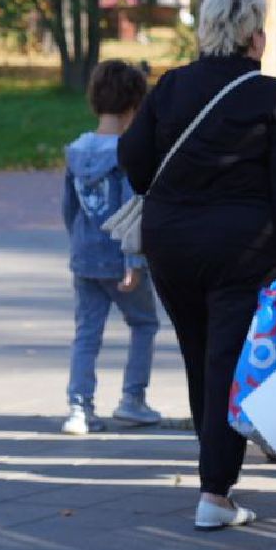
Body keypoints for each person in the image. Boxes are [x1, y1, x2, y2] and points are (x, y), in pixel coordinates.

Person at [120, 0, 276, 531]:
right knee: (226, 361)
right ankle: (215, 492)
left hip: (171, 242)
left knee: (199, 353)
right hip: (242, 246)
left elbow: (134, 163)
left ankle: (215, 475)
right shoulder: (273, 97)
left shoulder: (172, 86)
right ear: (255, 37)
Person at [61, 60, 161, 434]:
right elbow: (130, 209)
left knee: (87, 333)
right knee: (144, 323)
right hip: (121, 259)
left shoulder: (77, 151)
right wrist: (135, 261)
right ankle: (132, 399)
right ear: (135, 106)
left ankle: (78, 407)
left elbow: (68, 209)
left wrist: (78, 244)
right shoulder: (127, 153)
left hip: (85, 256)